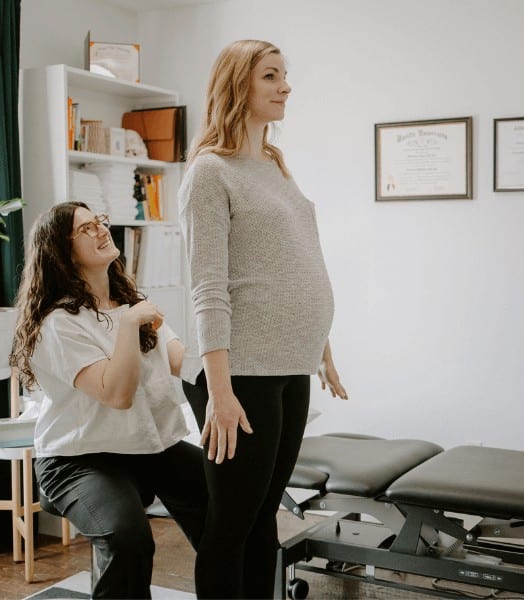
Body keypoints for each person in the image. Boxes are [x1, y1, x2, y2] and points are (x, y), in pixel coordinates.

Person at [178, 39, 348, 599]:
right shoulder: (209, 172)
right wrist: (219, 392)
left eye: (284, 75)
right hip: (242, 373)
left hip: (291, 364)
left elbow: (300, 253)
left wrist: (321, 345)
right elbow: (208, 286)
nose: (285, 86)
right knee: (231, 528)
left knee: (264, 521)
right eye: (271, 76)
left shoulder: (273, 164)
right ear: (238, 87)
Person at [10, 201, 207, 599]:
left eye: (99, 221)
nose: (101, 229)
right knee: (128, 540)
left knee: (231, 501)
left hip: (147, 447)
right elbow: (117, 394)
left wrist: (233, 369)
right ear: (61, 253)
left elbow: (180, 361)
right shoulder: (58, 324)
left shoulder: (131, 301)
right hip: (78, 459)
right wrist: (131, 325)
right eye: (85, 229)